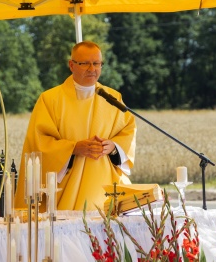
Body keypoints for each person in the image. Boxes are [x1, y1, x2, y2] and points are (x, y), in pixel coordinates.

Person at [14, 41, 136, 211]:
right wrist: (73, 148)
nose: (92, 69)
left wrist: (113, 146)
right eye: (85, 63)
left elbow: (128, 130)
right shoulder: (50, 99)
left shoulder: (113, 98)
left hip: (105, 186)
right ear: (71, 65)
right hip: (66, 188)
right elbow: (39, 143)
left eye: (97, 63)